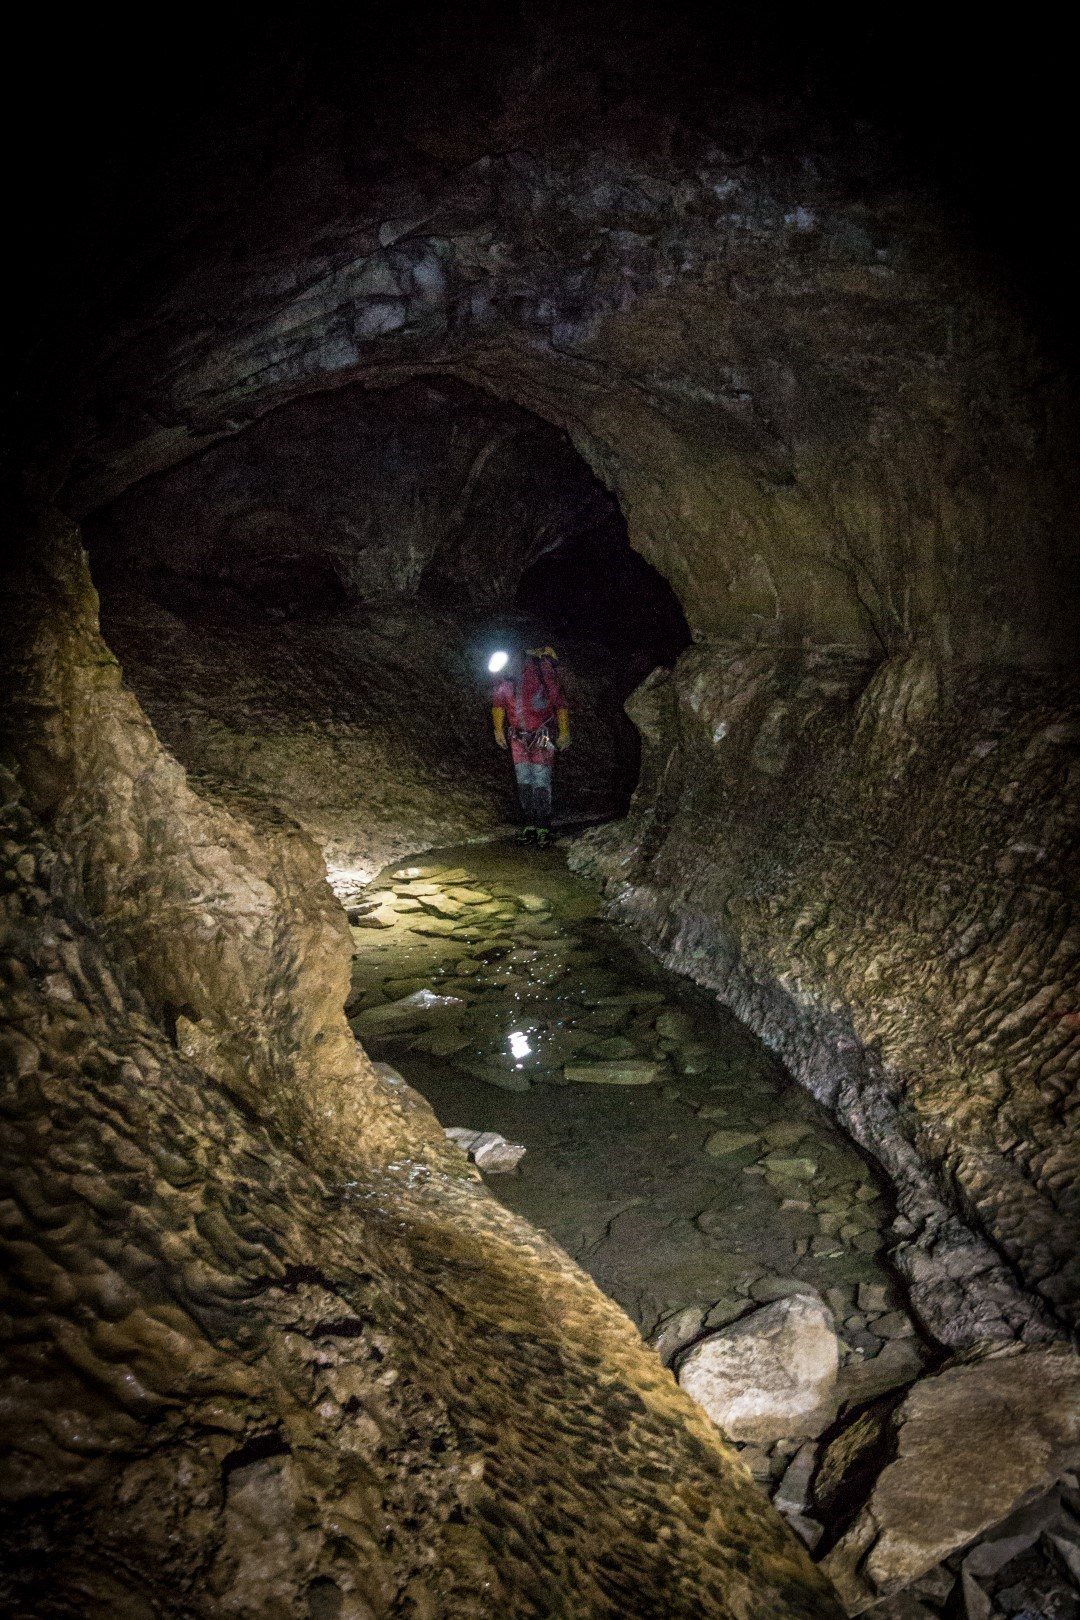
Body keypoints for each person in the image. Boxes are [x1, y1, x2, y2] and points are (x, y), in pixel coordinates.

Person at [491, 645, 570, 844]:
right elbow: (498, 703)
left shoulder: (541, 673)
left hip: (542, 735)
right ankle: (530, 824)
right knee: (524, 781)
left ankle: (543, 825)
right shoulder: (505, 678)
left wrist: (564, 731)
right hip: (518, 737)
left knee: (541, 780)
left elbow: (559, 703)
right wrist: (498, 729)